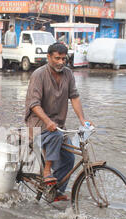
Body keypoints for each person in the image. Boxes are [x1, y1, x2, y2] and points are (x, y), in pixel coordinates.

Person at [24, 43, 93, 201]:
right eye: (57, 58)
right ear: (49, 57)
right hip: (37, 124)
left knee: (69, 159)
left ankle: (56, 192)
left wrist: (82, 119)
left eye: (64, 58)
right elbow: (34, 104)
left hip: (57, 125)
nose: (61, 62)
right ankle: (47, 171)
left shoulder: (68, 74)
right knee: (54, 134)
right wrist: (47, 121)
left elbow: (74, 96)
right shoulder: (38, 75)